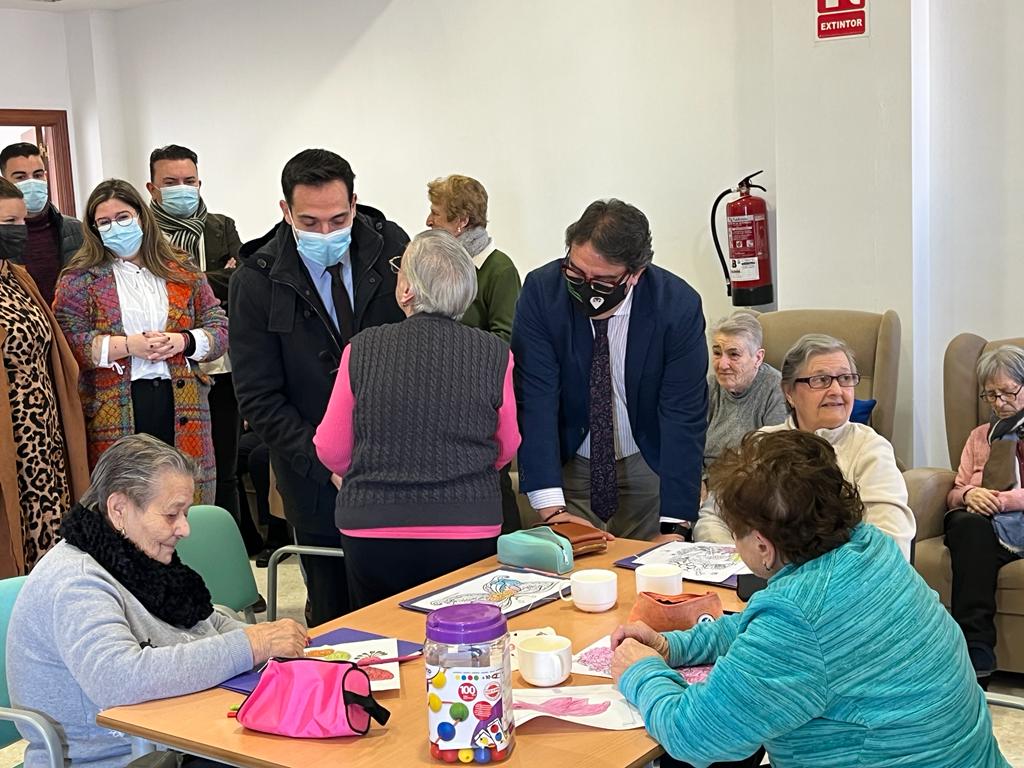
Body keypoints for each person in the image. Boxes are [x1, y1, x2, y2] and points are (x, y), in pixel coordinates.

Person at [610, 430, 1009, 768]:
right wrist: (672, 645)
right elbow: (763, 631)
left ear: (763, 546)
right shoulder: (867, 546)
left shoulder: (800, 616)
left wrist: (640, 671)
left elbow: (694, 735)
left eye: (736, 533)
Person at [5, 434, 308, 768]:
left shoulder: (133, 554)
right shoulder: (77, 581)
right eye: (171, 515)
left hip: (172, 738)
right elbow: (120, 679)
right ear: (119, 509)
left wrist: (268, 641)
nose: (185, 529)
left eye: (186, 513)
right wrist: (252, 645)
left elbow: (203, 621)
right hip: (114, 759)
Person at [230, 149, 407, 624]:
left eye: (338, 218)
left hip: (397, 464)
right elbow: (259, 397)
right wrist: (325, 460)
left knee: (403, 610)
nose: (326, 233)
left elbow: (419, 345)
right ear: (285, 211)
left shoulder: (392, 250)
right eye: (309, 221)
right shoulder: (258, 279)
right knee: (335, 614)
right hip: (313, 476)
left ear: (355, 204)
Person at [315, 230, 519, 609]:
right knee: (464, 637)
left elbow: (332, 449)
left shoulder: (361, 349)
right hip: (469, 524)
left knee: (383, 636)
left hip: (373, 528)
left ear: (407, 289)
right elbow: (506, 445)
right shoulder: (495, 352)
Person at [511, 199, 707, 541]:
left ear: (635, 274)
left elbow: (683, 415)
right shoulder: (542, 293)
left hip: (648, 460)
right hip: (570, 458)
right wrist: (553, 511)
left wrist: (675, 528)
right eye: (576, 272)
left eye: (601, 281)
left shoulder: (677, 307)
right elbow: (535, 398)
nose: (586, 288)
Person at [53, 179, 228, 504]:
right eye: (104, 222)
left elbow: (218, 327)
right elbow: (69, 342)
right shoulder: (79, 278)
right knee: (127, 503)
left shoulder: (181, 268)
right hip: (116, 404)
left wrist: (183, 341)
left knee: (186, 498)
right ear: (93, 229)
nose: (115, 227)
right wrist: (128, 346)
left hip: (182, 401)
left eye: (123, 217)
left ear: (141, 217)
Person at [695, 333, 915, 559]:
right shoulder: (761, 443)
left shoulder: (870, 449)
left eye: (846, 378)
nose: (837, 391)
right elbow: (713, 517)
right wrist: (739, 562)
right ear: (789, 392)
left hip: (841, 585)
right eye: (820, 380)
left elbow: (890, 545)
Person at [147, 144, 244, 537]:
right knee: (171, 473)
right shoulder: (142, 236)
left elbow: (239, 281)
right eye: (171, 183)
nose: (181, 189)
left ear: (200, 182)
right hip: (169, 370)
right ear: (152, 188)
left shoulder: (221, 226)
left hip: (221, 362)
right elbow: (154, 295)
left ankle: (230, 556)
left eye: (189, 181)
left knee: (226, 468)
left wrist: (192, 282)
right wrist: (210, 278)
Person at [0, 178, 89, 577]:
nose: (19, 230)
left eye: (21, 220)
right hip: (8, 434)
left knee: (50, 533)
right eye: (7, 222)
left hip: (44, 435)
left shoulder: (18, 276)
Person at [426, 174, 522, 533]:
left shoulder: (499, 269)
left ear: (461, 221)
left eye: (436, 212)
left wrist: (454, 354)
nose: (429, 220)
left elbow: (505, 339)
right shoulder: (443, 267)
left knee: (495, 497)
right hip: (442, 401)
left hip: (481, 403)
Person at [945, 344, 1024, 680]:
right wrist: (970, 494)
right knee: (966, 525)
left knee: (973, 531)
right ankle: (976, 648)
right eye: (990, 395)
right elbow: (956, 489)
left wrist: (1002, 500)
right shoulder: (979, 436)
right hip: (982, 528)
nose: (999, 402)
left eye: (1007, 391)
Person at [0, 142, 83, 305]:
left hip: (72, 324)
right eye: (20, 177)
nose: (31, 183)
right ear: (5, 181)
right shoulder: (6, 236)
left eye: (38, 175)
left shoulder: (76, 229)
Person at [704, 311, 787, 473]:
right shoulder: (710, 385)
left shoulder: (775, 389)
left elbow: (773, 457)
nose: (722, 365)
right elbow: (687, 441)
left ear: (758, 358)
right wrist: (699, 480)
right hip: (705, 481)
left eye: (734, 354)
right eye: (717, 353)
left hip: (749, 482)